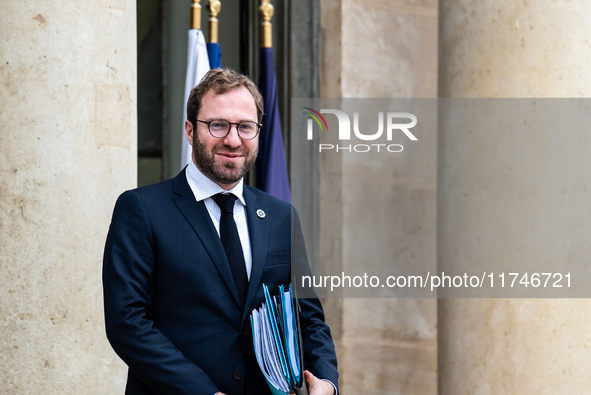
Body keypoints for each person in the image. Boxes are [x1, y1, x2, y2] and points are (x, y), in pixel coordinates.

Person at [103, 68, 339, 395]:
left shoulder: (282, 216)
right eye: (218, 125)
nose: (232, 139)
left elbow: (308, 318)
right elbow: (127, 324)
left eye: (245, 127)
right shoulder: (142, 209)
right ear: (189, 130)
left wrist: (326, 382)